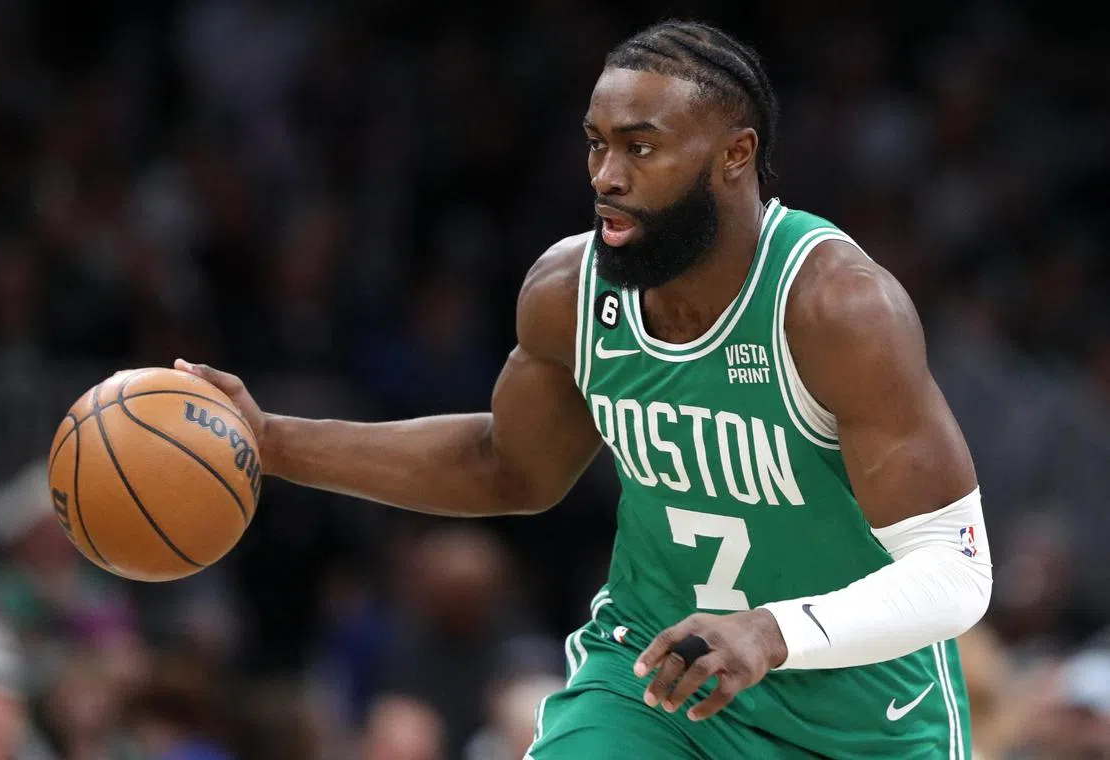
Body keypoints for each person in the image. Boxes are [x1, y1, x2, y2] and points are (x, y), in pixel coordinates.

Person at [176, 19, 992, 758]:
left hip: (861, 721)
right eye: (596, 144)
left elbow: (956, 571)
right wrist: (272, 442)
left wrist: (772, 632)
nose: (606, 175)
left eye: (640, 148)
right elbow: (508, 467)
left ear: (734, 155)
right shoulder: (571, 290)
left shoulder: (834, 306)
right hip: (655, 684)